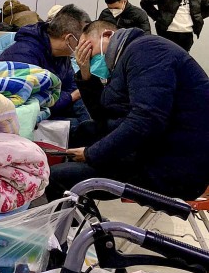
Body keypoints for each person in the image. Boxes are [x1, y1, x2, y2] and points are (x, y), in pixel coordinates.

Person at [46, 20, 209, 202]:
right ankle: (80, 219)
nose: (85, 57)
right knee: (85, 130)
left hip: (176, 166)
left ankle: (70, 228)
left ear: (107, 36)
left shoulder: (147, 51)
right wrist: (86, 75)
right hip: (159, 149)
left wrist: (90, 154)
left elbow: (146, 121)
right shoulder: (125, 58)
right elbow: (104, 117)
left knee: (55, 177)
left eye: (88, 49)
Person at [0, 5, 90, 121]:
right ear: (68, 38)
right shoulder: (24, 55)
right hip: (19, 116)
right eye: (83, 41)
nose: (84, 46)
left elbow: (71, 86)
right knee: (84, 128)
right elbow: (31, 104)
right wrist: (71, 97)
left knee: (89, 110)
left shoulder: (61, 55)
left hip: (52, 108)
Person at [140, 0, 209, 51]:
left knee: (182, 59)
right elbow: (145, 2)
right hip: (167, 32)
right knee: (165, 57)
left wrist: (197, 17)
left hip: (187, 33)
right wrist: (158, 17)